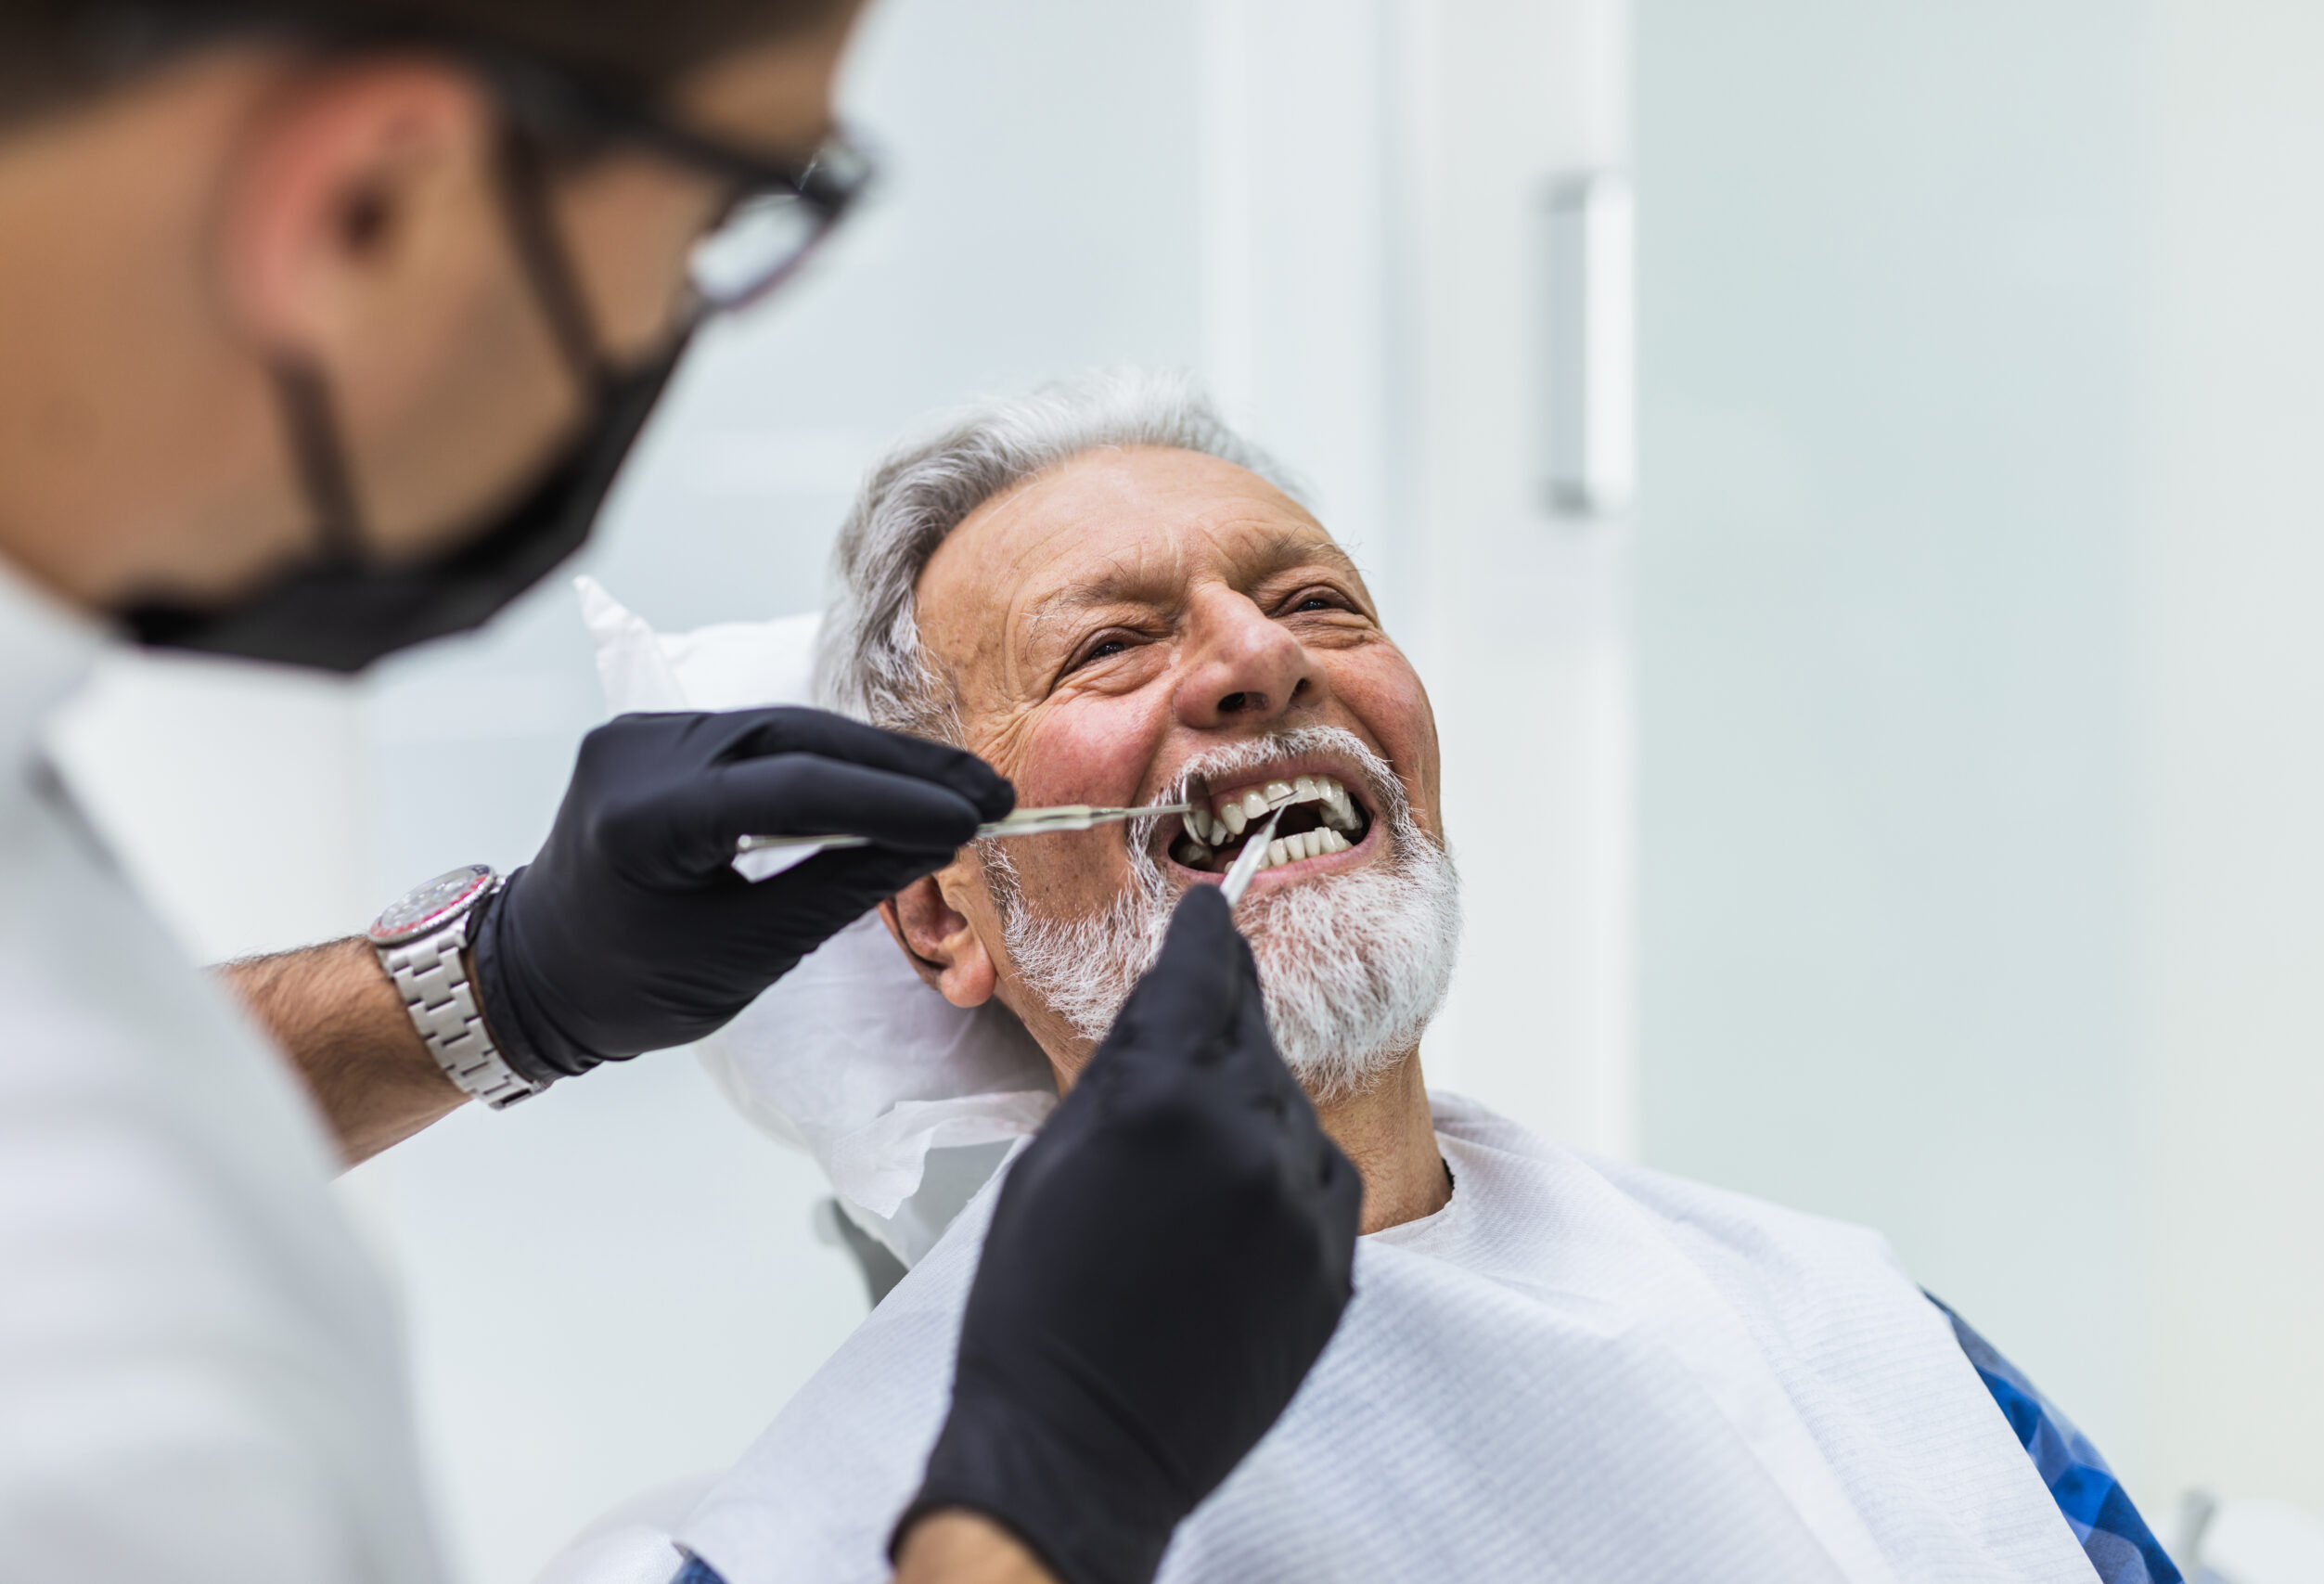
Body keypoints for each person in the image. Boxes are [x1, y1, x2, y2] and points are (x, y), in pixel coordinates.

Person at [0, 9, 1358, 1584]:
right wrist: (1034, 1524)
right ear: (373, 206)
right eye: (723, 225)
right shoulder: (100, 1381)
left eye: (1325, 602)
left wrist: (495, 988)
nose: (1260, 659)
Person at [652, 369, 2184, 1584]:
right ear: (941, 916)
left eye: (1319, 602)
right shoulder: (844, 1530)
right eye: (1110, 645)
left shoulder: (1864, 1343)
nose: (1262, 658)